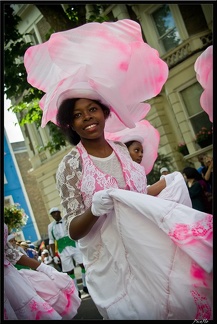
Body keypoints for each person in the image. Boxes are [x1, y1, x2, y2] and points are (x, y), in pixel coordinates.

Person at [24, 20, 212, 320]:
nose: (87, 118)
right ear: (70, 124)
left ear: (104, 111)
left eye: (92, 109)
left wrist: (165, 184)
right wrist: (95, 209)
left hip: (152, 255)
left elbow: (135, 198)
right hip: (112, 267)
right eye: (77, 114)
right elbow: (72, 229)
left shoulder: (125, 153)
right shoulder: (71, 166)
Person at [4, 223, 81, 320]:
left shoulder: (18, 249)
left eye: (14, 240)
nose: (14, 242)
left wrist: (43, 268)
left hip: (14, 279)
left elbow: (11, 254)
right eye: (11, 240)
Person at [48, 207, 89, 296]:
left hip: (74, 245)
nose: (55, 215)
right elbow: (51, 241)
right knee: (69, 271)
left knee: (83, 264)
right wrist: (53, 255)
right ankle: (76, 291)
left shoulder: (67, 220)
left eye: (56, 212)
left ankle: (86, 285)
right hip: (62, 250)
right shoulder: (50, 226)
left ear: (59, 212)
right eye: (52, 214)